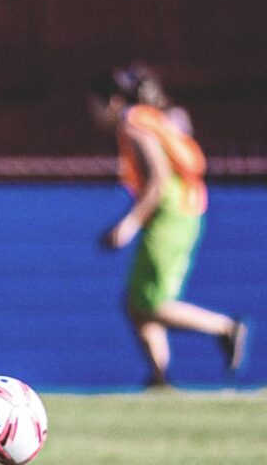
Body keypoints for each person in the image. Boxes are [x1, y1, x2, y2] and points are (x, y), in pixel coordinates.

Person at [88, 68, 248, 388]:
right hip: (181, 210)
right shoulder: (150, 119)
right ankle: (159, 378)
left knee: (151, 302)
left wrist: (129, 224)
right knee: (136, 301)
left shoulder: (134, 125)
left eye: (94, 104)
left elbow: (158, 180)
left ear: (112, 101)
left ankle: (225, 327)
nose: (92, 112)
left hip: (171, 213)